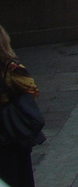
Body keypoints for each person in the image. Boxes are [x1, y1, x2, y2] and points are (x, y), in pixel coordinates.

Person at [0, 24, 43, 187]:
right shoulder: (12, 67)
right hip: (13, 131)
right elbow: (32, 91)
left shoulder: (10, 67)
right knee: (21, 176)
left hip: (10, 133)